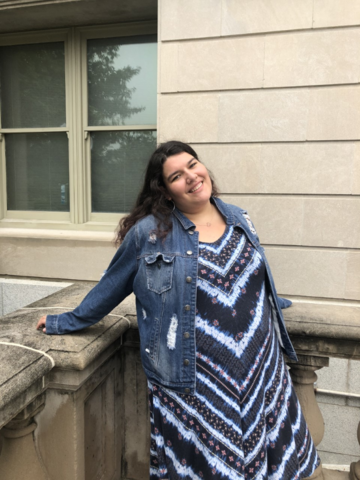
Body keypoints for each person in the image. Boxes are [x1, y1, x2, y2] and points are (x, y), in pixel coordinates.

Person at [37, 140, 319, 479]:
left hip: (260, 367)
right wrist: (63, 321)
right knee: (210, 467)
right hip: (195, 381)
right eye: (176, 175)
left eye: (193, 165)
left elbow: (252, 279)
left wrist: (276, 302)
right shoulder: (151, 234)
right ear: (165, 191)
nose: (191, 176)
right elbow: (110, 288)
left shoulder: (239, 217)